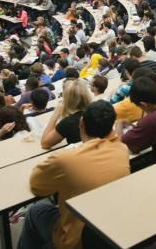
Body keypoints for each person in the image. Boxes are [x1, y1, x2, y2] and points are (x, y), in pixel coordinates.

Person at [20, 101, 130, 249]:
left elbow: (37, 187)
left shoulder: (65, 160)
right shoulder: (122, 150)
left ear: (81, 123)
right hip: (109, 229)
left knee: (36, 210)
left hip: (76, 240)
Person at [41, 80, 93, 148]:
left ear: (67, 100)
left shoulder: (68, 122)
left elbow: (45, 143)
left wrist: (55, 115)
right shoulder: (96, 112)